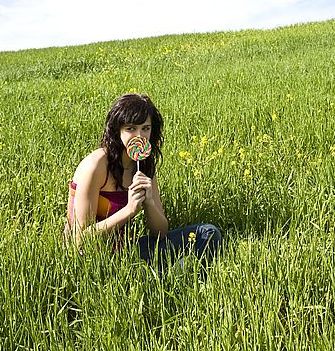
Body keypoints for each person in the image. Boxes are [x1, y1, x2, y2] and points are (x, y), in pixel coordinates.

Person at [64, 93, 221, 272]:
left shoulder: (144, 164)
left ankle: (168, 274)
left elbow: (160, 232)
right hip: (92, 259)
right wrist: (129, 210)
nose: (140, 136)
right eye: (131, 128)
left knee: (208, 233)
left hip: (126, 251)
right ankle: (168, 275)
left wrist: (149, 203)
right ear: (117, 130)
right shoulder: (96, 166)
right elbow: (80, 239)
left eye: (145, 128)